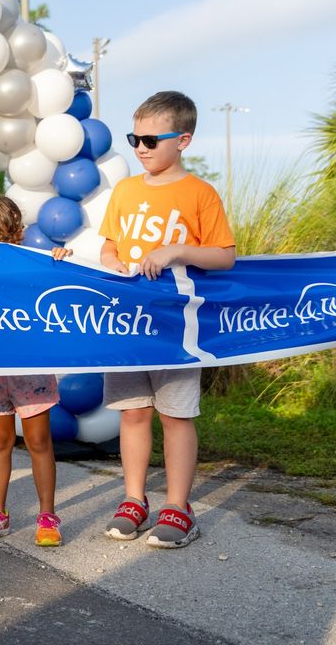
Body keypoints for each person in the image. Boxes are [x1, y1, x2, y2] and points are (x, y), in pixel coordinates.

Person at [96, 91, 236, 548]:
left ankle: (179, 505)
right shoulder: (126, 190)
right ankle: (134, 499)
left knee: (175, 415)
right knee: (133, 413)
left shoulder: (200, 193)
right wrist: (111, 260)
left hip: (176, 328)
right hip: (127, 325)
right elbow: (109, 245)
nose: (140, 147)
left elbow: (224, 256)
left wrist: (177, 250)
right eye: (134, 137)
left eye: (151, 139)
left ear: (183, 140)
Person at [0, 195, 71, 547]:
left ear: (15, 234)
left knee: (39, 442)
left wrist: (63, 263)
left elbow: (61, 292)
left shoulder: (36, 264)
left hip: (31, 371)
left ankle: (47, 515)